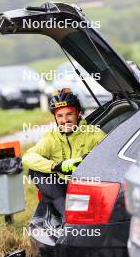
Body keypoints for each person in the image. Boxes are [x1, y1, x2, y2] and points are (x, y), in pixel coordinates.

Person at [22, 88, 106, 222]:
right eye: (59, 116)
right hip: (60, 190)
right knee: (35, 171)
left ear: (78, 113)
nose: (64, 120)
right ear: (55, 118)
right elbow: (28, 157)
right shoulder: (52, 136)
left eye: (69, 114)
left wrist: (87, 159)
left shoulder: (93, 133)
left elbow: (109, 154)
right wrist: (56, 166)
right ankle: (65, 215)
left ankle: (70, 215)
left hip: (86, 186)